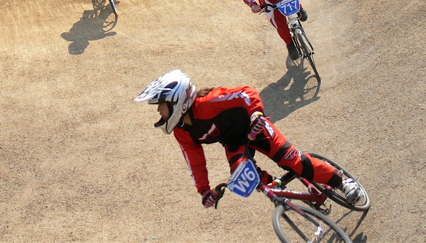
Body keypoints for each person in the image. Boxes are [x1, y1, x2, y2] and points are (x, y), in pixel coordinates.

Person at [134, 70, 365, 208]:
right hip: (234, 141)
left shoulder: (208, 102)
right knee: (246, 177)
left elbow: (247, 92)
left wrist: (256, 113)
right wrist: (204, 191)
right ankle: (277, 185)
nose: (158, 113)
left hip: (254, 127)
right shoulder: (182, 131)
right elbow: (195, 161)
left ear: (177, 102)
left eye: (161, 106)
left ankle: (343, 183)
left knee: (294, 161)